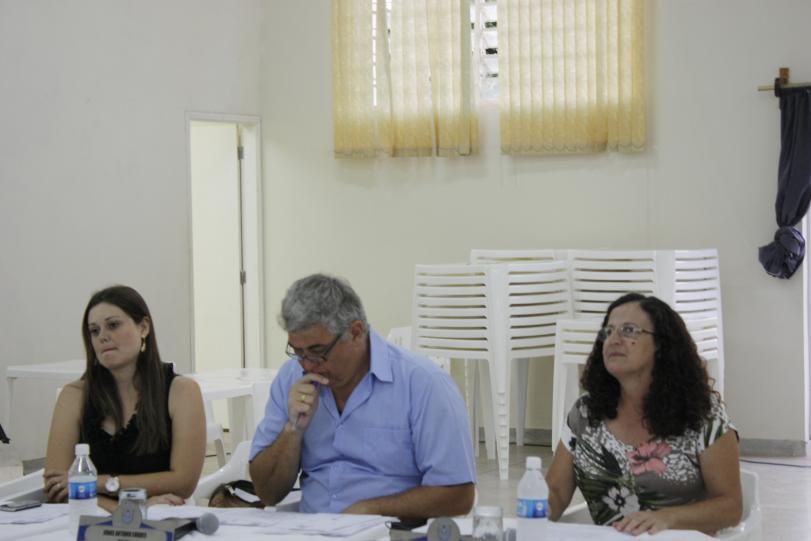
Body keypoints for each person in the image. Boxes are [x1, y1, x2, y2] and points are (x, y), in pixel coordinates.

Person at [249, 274, 476, 519]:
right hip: (310, 528)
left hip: (388, 529)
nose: (308, 365)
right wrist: (292, 431)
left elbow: (459, 495)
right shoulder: (291, 378)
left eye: (317, 351)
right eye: (297, 352)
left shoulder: (422, 383)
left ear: (356, 333)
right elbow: (267, 493)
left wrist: (371, 510)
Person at [545, 293, 742, 536]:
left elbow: (730, 507)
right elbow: (556, 492)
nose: (614, 340)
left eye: (629, 330)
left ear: (661, 344)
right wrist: (532, 513)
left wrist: (667, 518)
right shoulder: (586, 413)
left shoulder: (702, 415)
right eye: (608, 332)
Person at [44, 285, 206, 511]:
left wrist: (100, 483)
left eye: (113, 325)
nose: (103, 337)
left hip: (162, 516)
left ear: (143, 327)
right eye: (94, 331)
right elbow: (57, 488)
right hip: (93, 518)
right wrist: (129, 509)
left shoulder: (182, 391)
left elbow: (183, 482)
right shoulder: (74, 395)